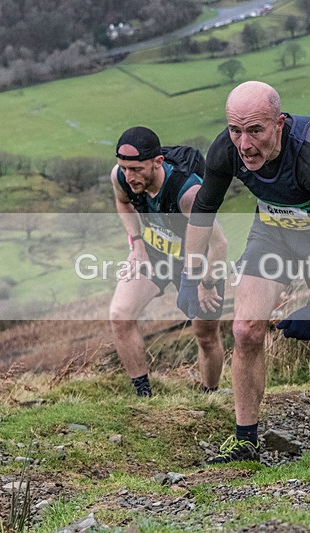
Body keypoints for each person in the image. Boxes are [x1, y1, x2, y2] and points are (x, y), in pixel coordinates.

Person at [178, 81, 310, 464]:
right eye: (236, 130)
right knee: (245, 330)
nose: (245, 144)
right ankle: (245, 439)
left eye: (255, 130)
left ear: (280, 123)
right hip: (273, 233)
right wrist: (192, 274)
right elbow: (204, 208)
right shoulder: (227, 150)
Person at [109, 126, 227, 397]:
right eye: (124, 168)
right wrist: (137, 243)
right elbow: (123, 202)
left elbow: (219, 245)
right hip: (155, 255)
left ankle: (209, 397)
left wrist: (206, 284)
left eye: (136, 169)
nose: (129, 176)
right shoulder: (121, 177)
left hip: (198, 263)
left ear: (158, 162)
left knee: (206, 335)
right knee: (120, 315)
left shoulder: (188, 193)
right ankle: (144, 396)